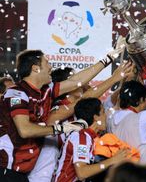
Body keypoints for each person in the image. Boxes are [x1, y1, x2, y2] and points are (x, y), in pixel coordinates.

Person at [0, 49, 114, 181]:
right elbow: (25, 130)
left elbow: (76, 82)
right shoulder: (16, 93)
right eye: (47, 63)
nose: (51, 67)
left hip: (22, 172)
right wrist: (61, 129)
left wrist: (109, 58)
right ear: (36, 68)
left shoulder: (45, 90)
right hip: (6, 168)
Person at [28, 62, 133, 182]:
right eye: (75, 80)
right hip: (40, 177)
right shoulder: (55, 111)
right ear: (66, 87)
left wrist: (124, 81)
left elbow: (107, 101)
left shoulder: (81, 116)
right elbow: (86, 98)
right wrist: (114, 78)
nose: (82, 83)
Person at [53, 98, 128, 181]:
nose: (105, 115)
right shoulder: (82, 137)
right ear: (96, 117)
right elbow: (82, 172)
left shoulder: (87, 136)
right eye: (103, 112)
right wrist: (112, 160)